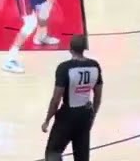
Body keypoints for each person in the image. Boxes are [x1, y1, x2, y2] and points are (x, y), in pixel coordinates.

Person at [42, 33, 103, 161]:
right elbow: (98, 95)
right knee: (82, 156)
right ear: (84, 48)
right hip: (85, 115)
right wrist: (93, 114)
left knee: (53, 152)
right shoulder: (94, 66)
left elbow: (56, 99)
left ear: (70, 49)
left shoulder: (64, 68)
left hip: (68, 115)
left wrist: (47, 119)